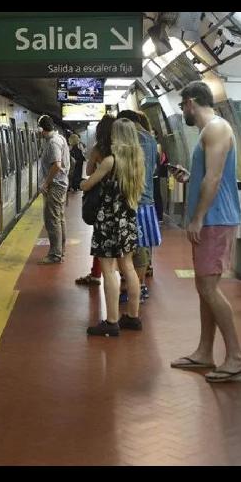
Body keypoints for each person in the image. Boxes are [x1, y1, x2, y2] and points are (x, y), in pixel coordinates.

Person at [169, 81, 241, 382]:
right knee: (204, 288)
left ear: (191, 102)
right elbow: (207, 177)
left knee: (208, 288)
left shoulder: (216, 128)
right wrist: (191, 177)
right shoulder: (210, 131)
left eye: (182, 106)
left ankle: (236, 356)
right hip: (212, 218)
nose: (183, 112)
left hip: (215, 220)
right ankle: (205, 351)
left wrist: (198, 218)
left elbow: (215, 179)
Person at [79, 118, 145, 336]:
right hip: (128, 219)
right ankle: (133, 317)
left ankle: (112, 321)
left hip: (109, 221)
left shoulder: (110, 161)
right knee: (128, 268)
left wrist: (81, 184)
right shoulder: (137, 159)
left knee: (108, 269)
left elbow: (88, 183)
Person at [117, 110, 161, 304]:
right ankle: (138, 284)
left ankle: (138, 286)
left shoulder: (137, 140)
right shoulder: (151, 140)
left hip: (135, 200)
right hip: (146, 199)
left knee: (136, 247)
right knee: (142, 246)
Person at [75, 115, 115, 286]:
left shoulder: (98, 149)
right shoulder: (121, 150)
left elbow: (90, 171)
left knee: (100, 238)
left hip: (101, 201)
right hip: (120, 202)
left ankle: (96, 274)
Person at [37, 115, 70, 264]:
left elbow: (56, 165)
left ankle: (55, 254)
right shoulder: (60, 138)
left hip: (55, 185)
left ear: (41, 129)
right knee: (59, 218)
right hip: (61, 183)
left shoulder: (53, 142)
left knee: (52, 220)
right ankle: (60, 250)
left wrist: (46, 183)